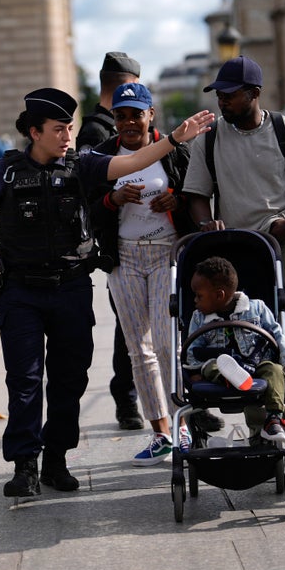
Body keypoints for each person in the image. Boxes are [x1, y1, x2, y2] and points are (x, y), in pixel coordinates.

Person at [0, 87, 214, 496]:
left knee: (68, 380)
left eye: (70, 128)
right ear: (35, 132)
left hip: (71, 289)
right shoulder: (4, 172)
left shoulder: (83, 165)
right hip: (20, 292)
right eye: (59, 129)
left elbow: (134, 160)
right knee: (23, 380)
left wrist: (174, 139)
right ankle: (25, 466)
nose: (68, 136)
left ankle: (56, 461)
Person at [183, 56, 285, 462]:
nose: (222, 103)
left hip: (279, 242)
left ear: (254, 94)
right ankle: (263, 425)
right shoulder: (209, 138)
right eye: (219, 96)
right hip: (232, 246)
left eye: (229, 95)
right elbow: (195, 193)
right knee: (245, 332)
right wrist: (204, 222)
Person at [87, 82, 196, 466]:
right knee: (139, 350)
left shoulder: (174, 149)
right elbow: (88, 211)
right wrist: (111, 199)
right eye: (121, 115)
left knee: (168, 346)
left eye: (137, 113)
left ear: (151, 115)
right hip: (125, 259)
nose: (129, 122)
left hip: (168, 254)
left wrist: (176, 199)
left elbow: (196, 196)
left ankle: (184, 426)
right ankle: (161, 432)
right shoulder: (102, 156)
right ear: (114, 119)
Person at [76, 50, 145, 431]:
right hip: (119, 244)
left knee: (143, 326)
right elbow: (91, 196)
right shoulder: (97, 133)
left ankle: (148, 398)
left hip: (146, 241)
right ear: (127, 84)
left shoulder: (106, 126)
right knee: (128, 327)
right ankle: (127, 399)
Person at [185, 257, 285, 444]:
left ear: (219, 295)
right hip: (220, 366)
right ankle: (231, 376)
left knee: (275, 370)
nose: (195, 301)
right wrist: (193, 371)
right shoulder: (198, 318)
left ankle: (273, 419)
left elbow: (277, 334)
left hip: (257, 365)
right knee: (211, 366)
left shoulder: (256, 308)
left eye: (199, 296)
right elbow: (193, 348)